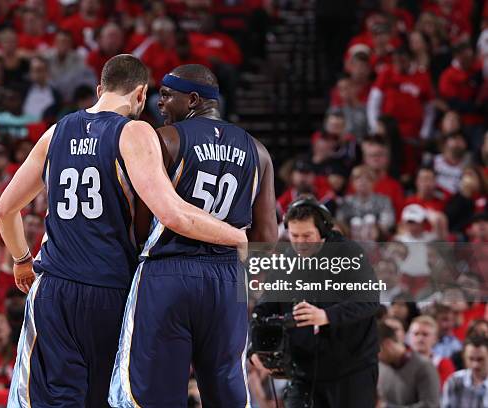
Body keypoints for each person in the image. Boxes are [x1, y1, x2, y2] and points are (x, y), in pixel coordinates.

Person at [0, 55, 247, 407]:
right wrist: (237, 235)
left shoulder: (56, 131)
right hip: (111, 289)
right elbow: (172, 213)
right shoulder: (135, 131)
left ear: (100, 89)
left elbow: (5, 209)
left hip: (54, 287)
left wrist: (22, 259)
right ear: (141, 94)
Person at [109, 63, 277, 407]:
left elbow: (141, 224)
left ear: (193, 100)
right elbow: (267, 238)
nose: (160, 103)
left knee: (153, 395)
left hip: (169, 272)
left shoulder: (165, 139)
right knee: (226, 392)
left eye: (168, 96)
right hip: (228, 280)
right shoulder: (258, 151)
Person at [251, 197, 379, 408]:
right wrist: (254, 349)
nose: (300, 242)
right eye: (294, 236)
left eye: (307, 236)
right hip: (304, 372)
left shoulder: (350, 254)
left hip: (352, 371)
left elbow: (369, 300)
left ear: (324, 232)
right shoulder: (285, 264)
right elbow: (263, 310)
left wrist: (326, 316)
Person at [377, 321, 440, 408]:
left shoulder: (424, 366)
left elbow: (430, 405)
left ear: (388, 344)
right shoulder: (381, 366)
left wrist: (387, 407)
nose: (375, 356)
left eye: (376, 351)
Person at [441, 336, 488, 407]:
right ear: (464, 357)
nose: (475, 365)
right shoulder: (454, 381)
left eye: (480, 359)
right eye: (471, 359)